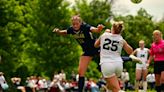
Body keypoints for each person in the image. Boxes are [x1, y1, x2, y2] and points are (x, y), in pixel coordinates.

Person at [53, 15, 104, 92]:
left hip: (96, 47)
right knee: (81, 72)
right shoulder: (72, 29)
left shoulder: (85, 27)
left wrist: (98, 29)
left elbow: (94, 30)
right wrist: (59, 31)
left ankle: (126, 58)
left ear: (80, 23)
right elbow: (65, 32)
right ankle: (80, 90)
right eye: (73, 24)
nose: (75, 26)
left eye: (77, 24)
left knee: (105, 65)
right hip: (87, 51)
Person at [94, 21, 142, 92]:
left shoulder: (104, 35)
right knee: (110, 86)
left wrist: (104, 34)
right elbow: (130, 51)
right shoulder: (121, 39)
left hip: (106, 64)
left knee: (117, 89)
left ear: (112, 28)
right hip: (118, 64)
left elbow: (96, 45)